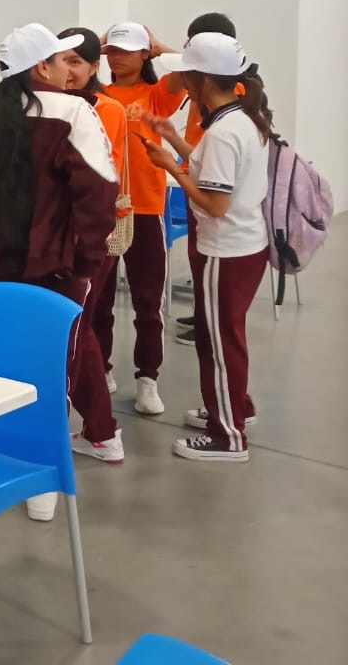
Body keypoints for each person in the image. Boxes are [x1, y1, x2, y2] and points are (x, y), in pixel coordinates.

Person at [0, 23, 118, 519]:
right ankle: (41, 479)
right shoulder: (74, 112)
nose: (69, 71)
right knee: (49, 367)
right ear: (42, 66)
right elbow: (99, 192)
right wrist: (86, 261)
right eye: (62, 61)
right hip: (51, 270)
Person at [142, 33, 270, 462]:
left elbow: (215, 204)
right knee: (226, 337)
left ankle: (226, 436)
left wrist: (170, 167)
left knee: (217, 344)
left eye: (185, 74)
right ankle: (235, 409)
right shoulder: (242, 118)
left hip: (225, 250)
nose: (179, 80)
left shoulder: (224, 132)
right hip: (245, 245)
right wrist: (174, 141)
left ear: (202, 80)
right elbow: (211, 169)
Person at [94, 22, 186, 416]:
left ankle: (147, 378)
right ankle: (100, 369)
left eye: (127, 50)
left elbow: (187, 68)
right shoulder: (96, 95)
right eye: (112, 50)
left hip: (146, 208)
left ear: (144, 54)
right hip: (103, 209)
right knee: (98, 301)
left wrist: (160, 47)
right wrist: (94, 44)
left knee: (148, 304)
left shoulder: (156, 94)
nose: (117, 57)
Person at [58, 27, 128, 462]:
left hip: (85, 235)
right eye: (59, 60)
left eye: (76, 62)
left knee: (76, 331)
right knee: (76, 331)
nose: (66, 70)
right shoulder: (55, 105)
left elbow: (99, 176)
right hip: (61, 235)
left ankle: (100, 431)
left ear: (94, 67)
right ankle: (100, 430)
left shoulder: (107, 109)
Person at [174, 12, 238, 344]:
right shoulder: (206, 87)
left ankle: (209, 323)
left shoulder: (230, 97)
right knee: (197, 255)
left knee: (209, 257)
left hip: (210, 180)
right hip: (198, 172)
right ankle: (203, 314)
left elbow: (217, 205)